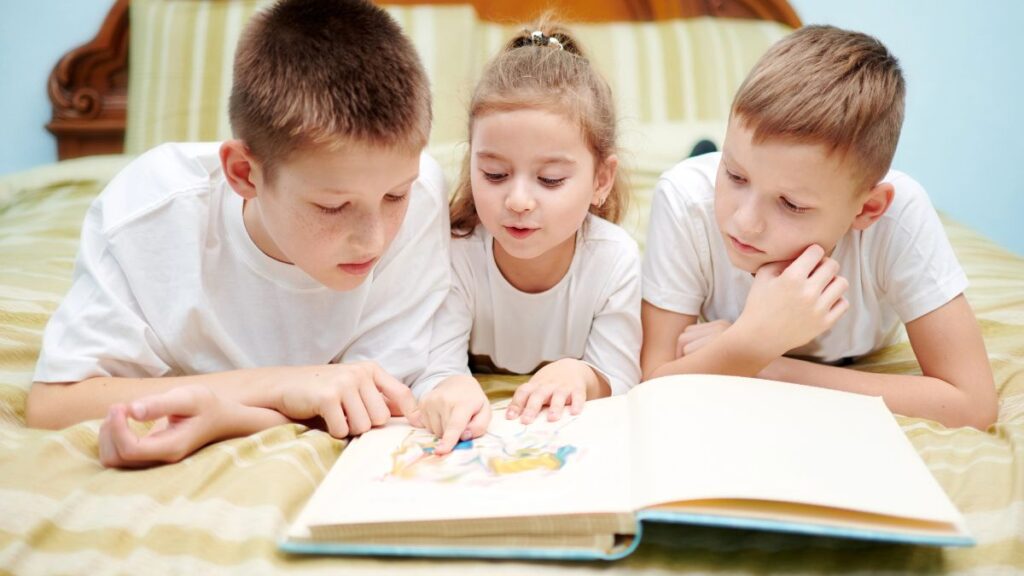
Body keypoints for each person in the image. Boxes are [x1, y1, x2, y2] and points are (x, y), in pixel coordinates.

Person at [25, 0, 451, 466]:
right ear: (243, 172)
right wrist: (280, 384)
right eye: (333, 206)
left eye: (394, 198)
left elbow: (374, 407)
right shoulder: (152, 212)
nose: (374, 240)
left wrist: (229, 416)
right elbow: (53, 404)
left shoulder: (424, 194)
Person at [641, 25, 997, 429]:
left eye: (791, 204)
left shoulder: (900, 216)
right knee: (700, 168)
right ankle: (706, 152)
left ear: (867, 209)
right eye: (735, 175)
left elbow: (973, 403)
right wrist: (750, 343)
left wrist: (762, 358)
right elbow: (652, 383)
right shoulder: (686, 197)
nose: (744, 222)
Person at [414, 21, 643, 454]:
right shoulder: (456, 253)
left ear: (601, 180)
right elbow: (432, 366)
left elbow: (621, 375)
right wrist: (449, 385)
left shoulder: (615, 260)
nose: (518, 200)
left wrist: (582, 374)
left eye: (550, 179)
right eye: (494, 174)